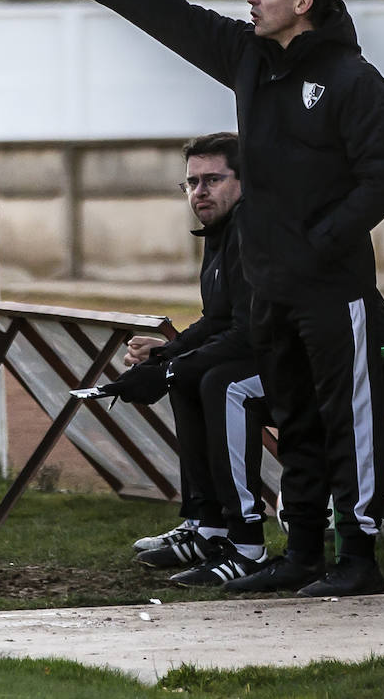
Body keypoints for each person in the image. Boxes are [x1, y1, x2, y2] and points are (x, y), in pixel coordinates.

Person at [22, 0, 384, 598]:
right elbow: (178, 18)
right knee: (295, 421)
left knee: (344, 421)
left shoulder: (355, 82)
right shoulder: (251, 60)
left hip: (331, 287)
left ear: (302, 3)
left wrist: (318, 241)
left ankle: (359, 554)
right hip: (272, 289)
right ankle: (303, 553)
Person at [106, 133, 272, 587]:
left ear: (244, 181)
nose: (199, 192)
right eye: (191, 182)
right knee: (191, 378)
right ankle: (209, 526)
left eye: (212, 179)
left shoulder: (255, 230)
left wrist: (171, 365)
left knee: (222, 384)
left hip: (320, 369)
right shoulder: (219, 233)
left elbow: (250, 334)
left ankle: (247, 544)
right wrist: (167, 353)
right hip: (264, 358)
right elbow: (217, 319)